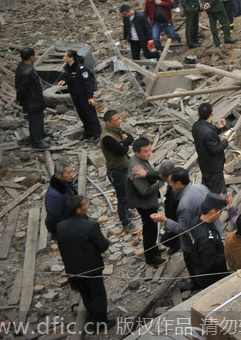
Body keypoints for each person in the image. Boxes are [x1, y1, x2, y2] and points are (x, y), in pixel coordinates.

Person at [152, 168, 215, 291]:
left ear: (179, 184)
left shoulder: (185, 204)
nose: (169, 185)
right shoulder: (201, 188)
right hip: (210, 231)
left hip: (194, 239)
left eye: (171, 183)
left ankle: (198, 284)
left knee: (192, 260)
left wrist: (164, 220)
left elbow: (182, 228)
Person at [56, 196, 110, 329]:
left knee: (85, 294)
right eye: (85, 205)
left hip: (73, 268)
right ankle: (100, 323)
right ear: (79, 210)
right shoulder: (90, 226)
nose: (87, 206)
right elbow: (103, 246)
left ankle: (92, 317)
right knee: (97, 295)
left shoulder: (61, 226)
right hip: (91, 268)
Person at [127, 137, 167, 266]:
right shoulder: (136, 168)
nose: (149, 154)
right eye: (145, 151)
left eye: (150, 150)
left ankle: (153, 248)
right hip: (144, 203)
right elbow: (144, 191)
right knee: (149, 229)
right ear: (136, 153)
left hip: (148, 201)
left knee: (153, 228)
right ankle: (150, 258)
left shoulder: (140, 159)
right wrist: (161, 180)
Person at [99, 109, 138, 233]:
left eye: (119, 118)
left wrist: (123, 143)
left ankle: (127, 211)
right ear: (108, 122)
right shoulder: (107, 137)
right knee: (122, 197)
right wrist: (124, 143)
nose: (119, 121)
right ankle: (125, 223)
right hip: (116, 170)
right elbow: (121, 150)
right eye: (116, 120)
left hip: (123, 167)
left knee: (126, 193)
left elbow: (130, 138)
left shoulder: (116, 130)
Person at [57, 50, 102, 141]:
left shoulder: (81, 69)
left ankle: (97, 133)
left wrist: (90, 97)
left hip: (84, 96)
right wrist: (64, 81)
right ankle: (88, 132)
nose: (63, 58)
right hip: (75, 95)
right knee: (82, 114)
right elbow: (69, 77)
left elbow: (88, 83)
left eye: (65, 56)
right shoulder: (68, 68)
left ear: (71, 58)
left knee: (90, 115)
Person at [189, 195, 230, 290]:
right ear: (212, 212)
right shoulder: (207, 239)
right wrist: (225, 254)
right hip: (212, 278)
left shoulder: (196, 221)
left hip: (199, 268)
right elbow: (210, 263)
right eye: (220, 211)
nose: (220, 214)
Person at [192, 102, 230, 193]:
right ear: (212, 113)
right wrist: (225, 140)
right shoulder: (208, 132)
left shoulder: (196, 126)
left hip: (204, 165)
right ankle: (221, 206)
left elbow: (207, 139)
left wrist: (217, 128)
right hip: (214, 167)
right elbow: (215, 149)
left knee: (206, 189)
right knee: (219, 191)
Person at [15, 47, 48, 149]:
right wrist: (21, 100)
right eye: (34, 55)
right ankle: (37, 141)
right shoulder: (26, 72)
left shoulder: (25, 66)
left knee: (39, 118)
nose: (36, 57)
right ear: (31, 57)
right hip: (32, 100)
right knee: (35, 121)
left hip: (35, 97)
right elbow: (21, 89)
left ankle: (41, 133)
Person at [44, 158, 77, 235]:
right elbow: (54, 218)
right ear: (59, 175)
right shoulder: (53, 196)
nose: (71, 175)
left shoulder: (66, 183)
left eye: (71, 171)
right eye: (68, 173)